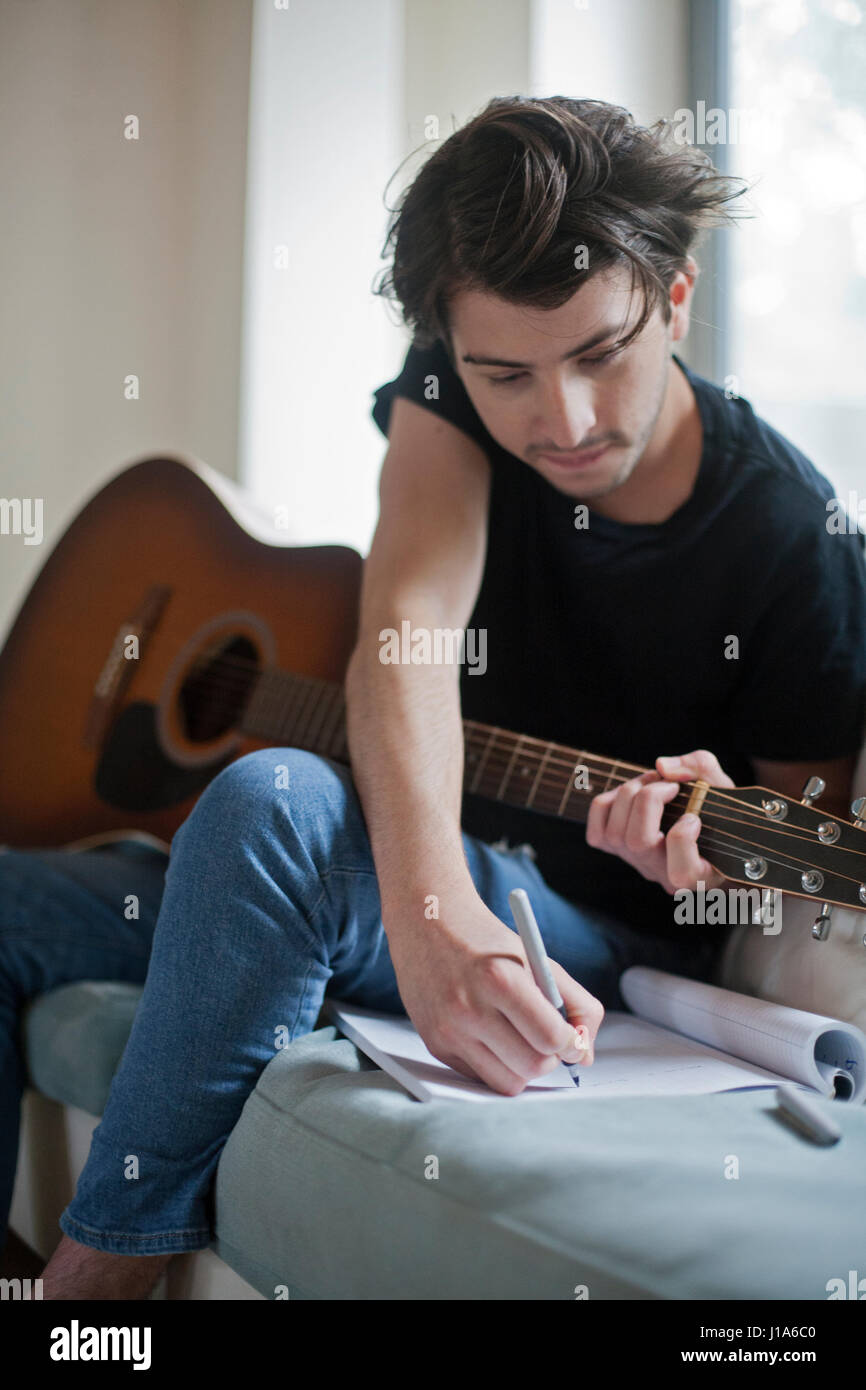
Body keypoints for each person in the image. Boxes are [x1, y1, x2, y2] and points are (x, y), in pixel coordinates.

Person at [4, 96, 862, 1299]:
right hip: (404, 870)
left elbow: (797, 875)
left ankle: (91, 1300)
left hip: (581, 933)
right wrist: (428, 906)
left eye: (601, 354)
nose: (558, 422)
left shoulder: (792, 538)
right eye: (501, 371)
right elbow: (401, 634)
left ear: (672, 300)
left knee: (275, 804)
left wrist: (714, 858)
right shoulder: (448, 404)